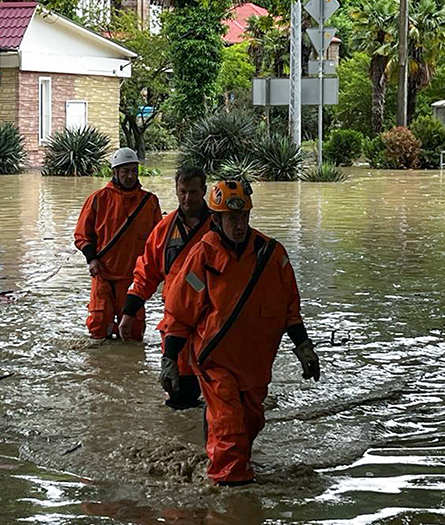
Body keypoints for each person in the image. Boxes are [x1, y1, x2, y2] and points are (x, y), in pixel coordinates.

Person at [160, 179, 320, 486]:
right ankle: (232, 498)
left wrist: (304, 349)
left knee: (249, 424)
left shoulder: (272, 256)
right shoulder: (202, 258)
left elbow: (289, 309)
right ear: (217, 220)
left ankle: (220, 458)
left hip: (255, 365)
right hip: (215, 361)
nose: (240, 224)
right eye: (232, 218)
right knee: (230, 429)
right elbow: (180, 314)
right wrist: (169, 359)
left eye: (244, 216)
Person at [118, 166, 213, 409]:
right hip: (176, 321)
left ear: (204, 191)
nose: (187, 198)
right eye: (182, 192)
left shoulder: (219, 226)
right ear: (176, 191)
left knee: (220, 392)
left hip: (213, 319)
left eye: (193, 192)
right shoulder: (164, 229)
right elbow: (146, 273)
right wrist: (129, 313)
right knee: (179, 395)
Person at [73, 147, 162, 340]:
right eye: (125, 171)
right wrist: (92, 259)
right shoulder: (98, 199)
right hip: (102, 274)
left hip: (133, 278)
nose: (130, 176)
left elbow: (158, 241)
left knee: (134, 333)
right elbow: (82, 235)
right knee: (98, 328)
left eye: (133, 171)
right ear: (115, 172)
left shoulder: (150, 202)